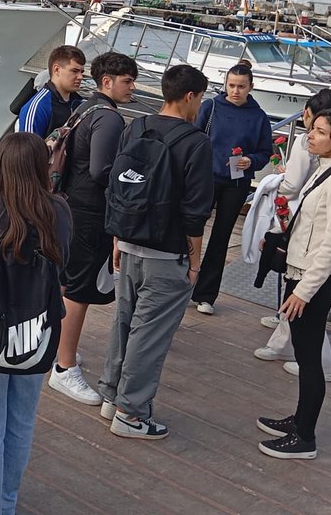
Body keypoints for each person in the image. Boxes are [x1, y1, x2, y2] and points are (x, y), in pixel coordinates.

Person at [0, 133, 72, 514]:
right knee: (21, 420)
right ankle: (4, 503)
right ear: (41, 166)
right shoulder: (58, 210)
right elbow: (64, 262)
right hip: (37, 325)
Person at [99, 64, 213, 440]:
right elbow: (195, 212)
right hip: (166, 254)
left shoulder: (135, 127)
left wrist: (116, 240)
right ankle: (131, 414)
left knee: (124, 323)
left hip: (128, 244)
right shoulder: (195, 143)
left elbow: (117, 189)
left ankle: (110, 395)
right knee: (150, 336)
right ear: (190, 96)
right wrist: (195, 262)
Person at [257, 110, 331, 460]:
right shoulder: (327, 171)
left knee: (309, 358)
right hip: (301, 272)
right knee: (305, 356)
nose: (310, 136)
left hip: (313, 282)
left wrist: (304, 291)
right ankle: (299, 419)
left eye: (320, 132)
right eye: (312, 129)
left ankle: (305, 436)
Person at [48, 51, 138, 406]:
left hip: (69, 205)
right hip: (89, 212)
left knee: (66, 281)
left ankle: (59, 348)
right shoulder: (109, 119)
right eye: (127, 81)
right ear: (107, 82)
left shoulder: (84, 108)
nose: (131, 87)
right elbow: (103, 170)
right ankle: (64, 366)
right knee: (80, 289)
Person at [254, 88, 331, 380]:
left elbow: (293, 187)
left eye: (318, 129)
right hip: (301, 228)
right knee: (294, 292)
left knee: (304, 299)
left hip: (301, 230)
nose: (310, 135)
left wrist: (278, 179)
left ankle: (322, 364)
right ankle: (281, 340)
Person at [191, 61, 273, 314]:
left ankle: (206, 294)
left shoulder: (258, 116)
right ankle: (183, 285)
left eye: (241, 86)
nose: (235, 91)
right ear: (225, 84)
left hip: (237, 182)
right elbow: (194, 137)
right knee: (192, 228)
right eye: (231, 85)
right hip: (206, 177)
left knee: (221, 236)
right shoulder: (211, 106)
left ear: (251, 87)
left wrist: (252, 160)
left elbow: (265, 151)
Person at [15, 45, 86, 137]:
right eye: (74, 71)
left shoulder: (79, 103)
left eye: (81, 72)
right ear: (57, 70)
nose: (80, 77)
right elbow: (27, 149)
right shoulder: (37, 107)